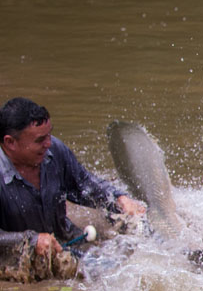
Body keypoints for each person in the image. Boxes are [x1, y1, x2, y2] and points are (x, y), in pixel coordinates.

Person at [0, 97, 146, 281]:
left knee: (120, 270)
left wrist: (119, 199)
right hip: (14, 264)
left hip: (68, 243)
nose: (48, 143)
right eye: (40, 140)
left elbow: (85, 186)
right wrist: (31, 241)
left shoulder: (55, 150)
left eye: (49, 135)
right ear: (10, 142)